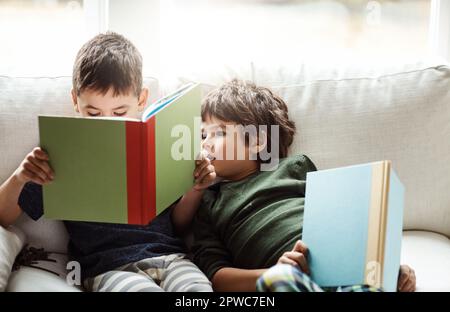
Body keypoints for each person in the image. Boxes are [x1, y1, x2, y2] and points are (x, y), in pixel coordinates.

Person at [0, 32, 213, 292]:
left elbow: (179, 224)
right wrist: (21, 177)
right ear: (75, 102)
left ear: (142, 100)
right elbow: (3, 215)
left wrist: (195, 188)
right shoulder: (60, 153)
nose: (107, 121)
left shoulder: (158, 146)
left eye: (120, 112)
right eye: (93, 113)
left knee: (198, 291)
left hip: (172, 259)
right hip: (108, 268)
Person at [189, 79, 416, 292]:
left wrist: (389, 267)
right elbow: (216, 276)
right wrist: (274, 273)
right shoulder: (208, 202)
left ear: (257, 141)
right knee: (283, 283)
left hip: (340, 268)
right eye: (202, 135)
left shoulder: (294, 168)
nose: (205, 143)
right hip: (283, 280)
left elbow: (342, 221)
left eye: (219, 133)